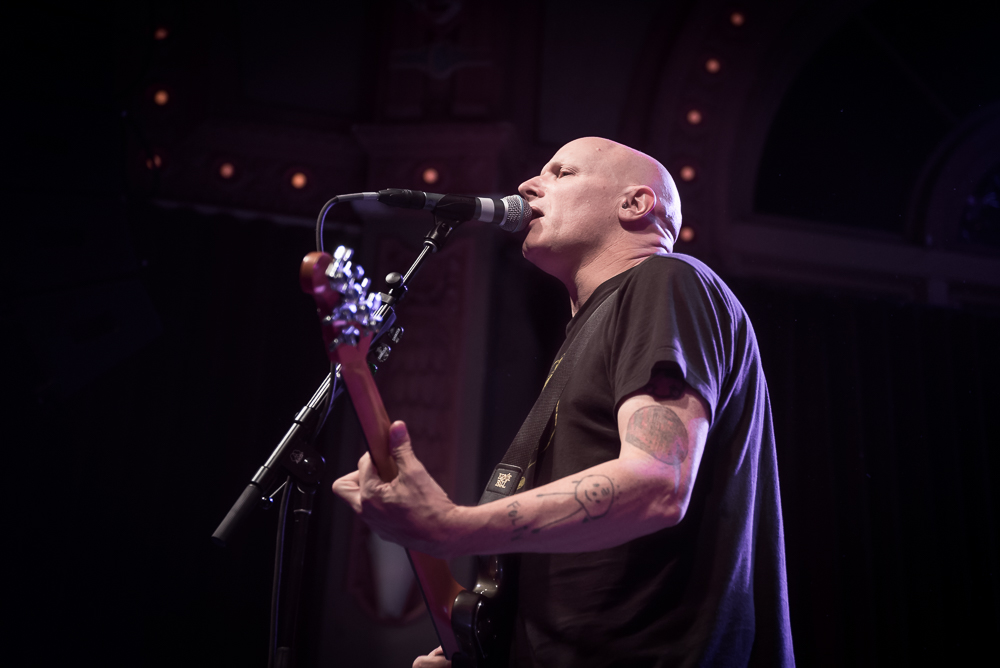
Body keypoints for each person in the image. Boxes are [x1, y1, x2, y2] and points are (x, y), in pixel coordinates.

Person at [333, 137, 794, 667]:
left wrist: (449, 524)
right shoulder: (586, 333)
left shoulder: (666, 280)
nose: (529, 185)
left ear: (635, 204)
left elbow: (658, 483)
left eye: (561, 172)